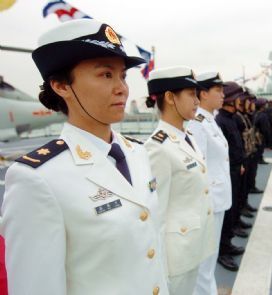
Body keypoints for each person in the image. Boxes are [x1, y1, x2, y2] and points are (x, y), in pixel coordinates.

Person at [1, 19, 168, 295]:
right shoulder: (37, 179)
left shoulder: (137, 153)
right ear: (61, 86)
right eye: (105, 74)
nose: (122, 88)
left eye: (123, 76)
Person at [144, 66, 215, 295]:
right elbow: (156, 214)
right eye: (191, 94)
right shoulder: (158, 147)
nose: (197, 100)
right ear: (170, 97)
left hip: (194, 245)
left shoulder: (187, 137)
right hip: (175, 258)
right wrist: (160, 270)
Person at [187, 72, 232, 295]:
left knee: (210, 258)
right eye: (218, 90)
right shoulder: (198, 124)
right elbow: (199, 166)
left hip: (218, 199)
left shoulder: (210, 121)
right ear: (203, 94)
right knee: (205, 262)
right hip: (209, 201)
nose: (223, 95)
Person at [215, 82, 248, 271]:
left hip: (235, 169)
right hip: (226, 173)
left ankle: (227, 244)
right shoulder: (220, 121)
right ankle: (223, 251)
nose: (241, 102)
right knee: (226, 213)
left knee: (232, 207)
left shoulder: (230, 119)